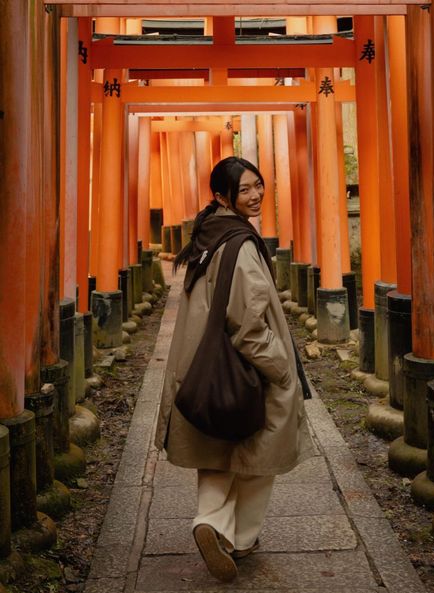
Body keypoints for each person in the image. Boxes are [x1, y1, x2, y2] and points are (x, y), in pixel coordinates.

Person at [155, 156, 315, 582]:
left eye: (258, 185)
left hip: (202, 365)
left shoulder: (209, 234)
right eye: (244, 189)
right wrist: (282, 369)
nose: (256, 194)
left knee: (215, 450)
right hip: (246, 366)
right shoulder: (241, 243)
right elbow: (247, 325)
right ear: (223, 196)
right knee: (259, 455)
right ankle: (241, 538)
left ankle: (210, 521)